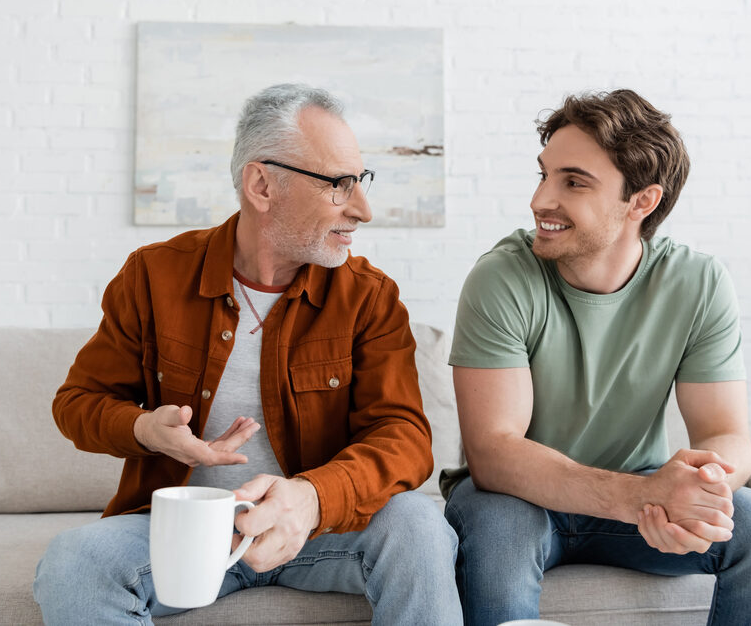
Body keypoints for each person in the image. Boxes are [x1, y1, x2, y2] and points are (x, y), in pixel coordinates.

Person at [34, 84, 461, 625]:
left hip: (320, 530)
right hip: (188, 532)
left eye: (361, 181)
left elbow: (404, 437)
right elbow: (79, 402)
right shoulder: (152, 275)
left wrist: (309, 498)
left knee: (421, 527)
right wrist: (146, 429)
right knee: (74, 562)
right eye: (339, 184)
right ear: (262, 185)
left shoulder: (369, 297)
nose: (364, 209)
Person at [441, 89, 751, 626]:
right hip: (517, 498)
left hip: (642, 488)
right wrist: (639, 499)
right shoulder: (503, 277)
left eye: (573, 181)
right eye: (543, 174)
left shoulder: (698, 283)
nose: (540, 199)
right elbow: (494, 453)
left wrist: (698, 493)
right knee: (499, 534)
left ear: (642, 201)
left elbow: (728, 436)